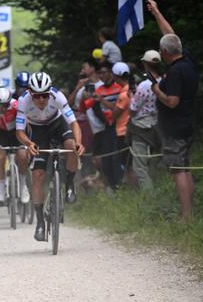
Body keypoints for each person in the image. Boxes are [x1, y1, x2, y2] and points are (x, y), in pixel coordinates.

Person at [15, 72, 84, 242]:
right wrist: (29, 144)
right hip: (38, 131)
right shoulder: (23, 101)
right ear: (30, 92)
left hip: (57, 124)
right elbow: (19, 131)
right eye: (37, 96)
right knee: (37, 175)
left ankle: (69, 184)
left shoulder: (58, 96)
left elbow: (74, 123)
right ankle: (40, 222)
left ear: (50, 93)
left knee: (70, 147)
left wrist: (78, 143)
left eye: (45, 95)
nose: (41, 100)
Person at [147, 0, 199, 221]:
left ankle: (186, 216)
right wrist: (157, 11)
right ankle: (189, 214)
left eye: (161, 50)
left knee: (178, 171)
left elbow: (172, 101)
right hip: (187, 124)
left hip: (176, 128)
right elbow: (171, 35)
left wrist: (156, 89)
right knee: (185, 169)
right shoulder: (187, 60)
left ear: (165, 54)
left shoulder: (176, 72)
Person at [79, 62, 124, 190]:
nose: (102, 75)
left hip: (119, 125)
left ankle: (120, 185)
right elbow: (84, 108)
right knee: (106, 161)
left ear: (111, 73)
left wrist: (102, 100)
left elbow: (121, 107)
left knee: (118, 158)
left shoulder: (119, 88)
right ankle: (112, 186)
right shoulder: (99, 90)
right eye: (100, 73)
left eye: (105, 72)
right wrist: (84, 98)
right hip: (106, 128)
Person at [129, 50, 163, 190]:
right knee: (155, 162)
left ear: (145, 64)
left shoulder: (144, 86)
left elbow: (133, 108)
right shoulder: (164, 81)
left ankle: (150, 197)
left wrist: (131, 95)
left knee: (140, 167)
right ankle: (158, 189)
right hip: (158, 125)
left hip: (142, 127)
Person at [111, 62, 132, 182]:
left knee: (128, 166)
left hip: (122, 132)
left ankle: (135, 191)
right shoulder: (132, 89)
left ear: (116, 76)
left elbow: (115, 114)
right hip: (130, 131)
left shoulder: (124, 95)